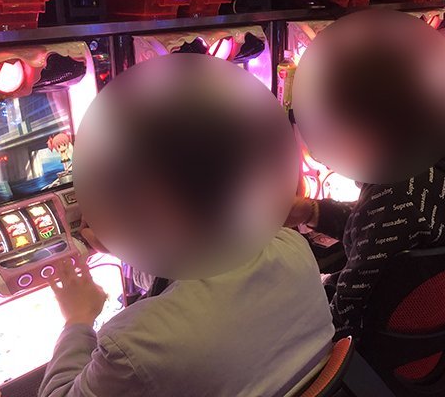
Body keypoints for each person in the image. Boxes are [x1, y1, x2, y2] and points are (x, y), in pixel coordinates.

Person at [38, 54, 335, 397]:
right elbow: (199, 283)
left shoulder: (132, 346)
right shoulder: (292, 248)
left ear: (153, 195)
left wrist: (77, 319)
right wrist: (130, 245)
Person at [287, 131, 445, 340]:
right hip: (427, 326)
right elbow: (376, 225)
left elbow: (342, 317)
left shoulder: (396, 194)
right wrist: (312, 212)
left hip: (377, 345)